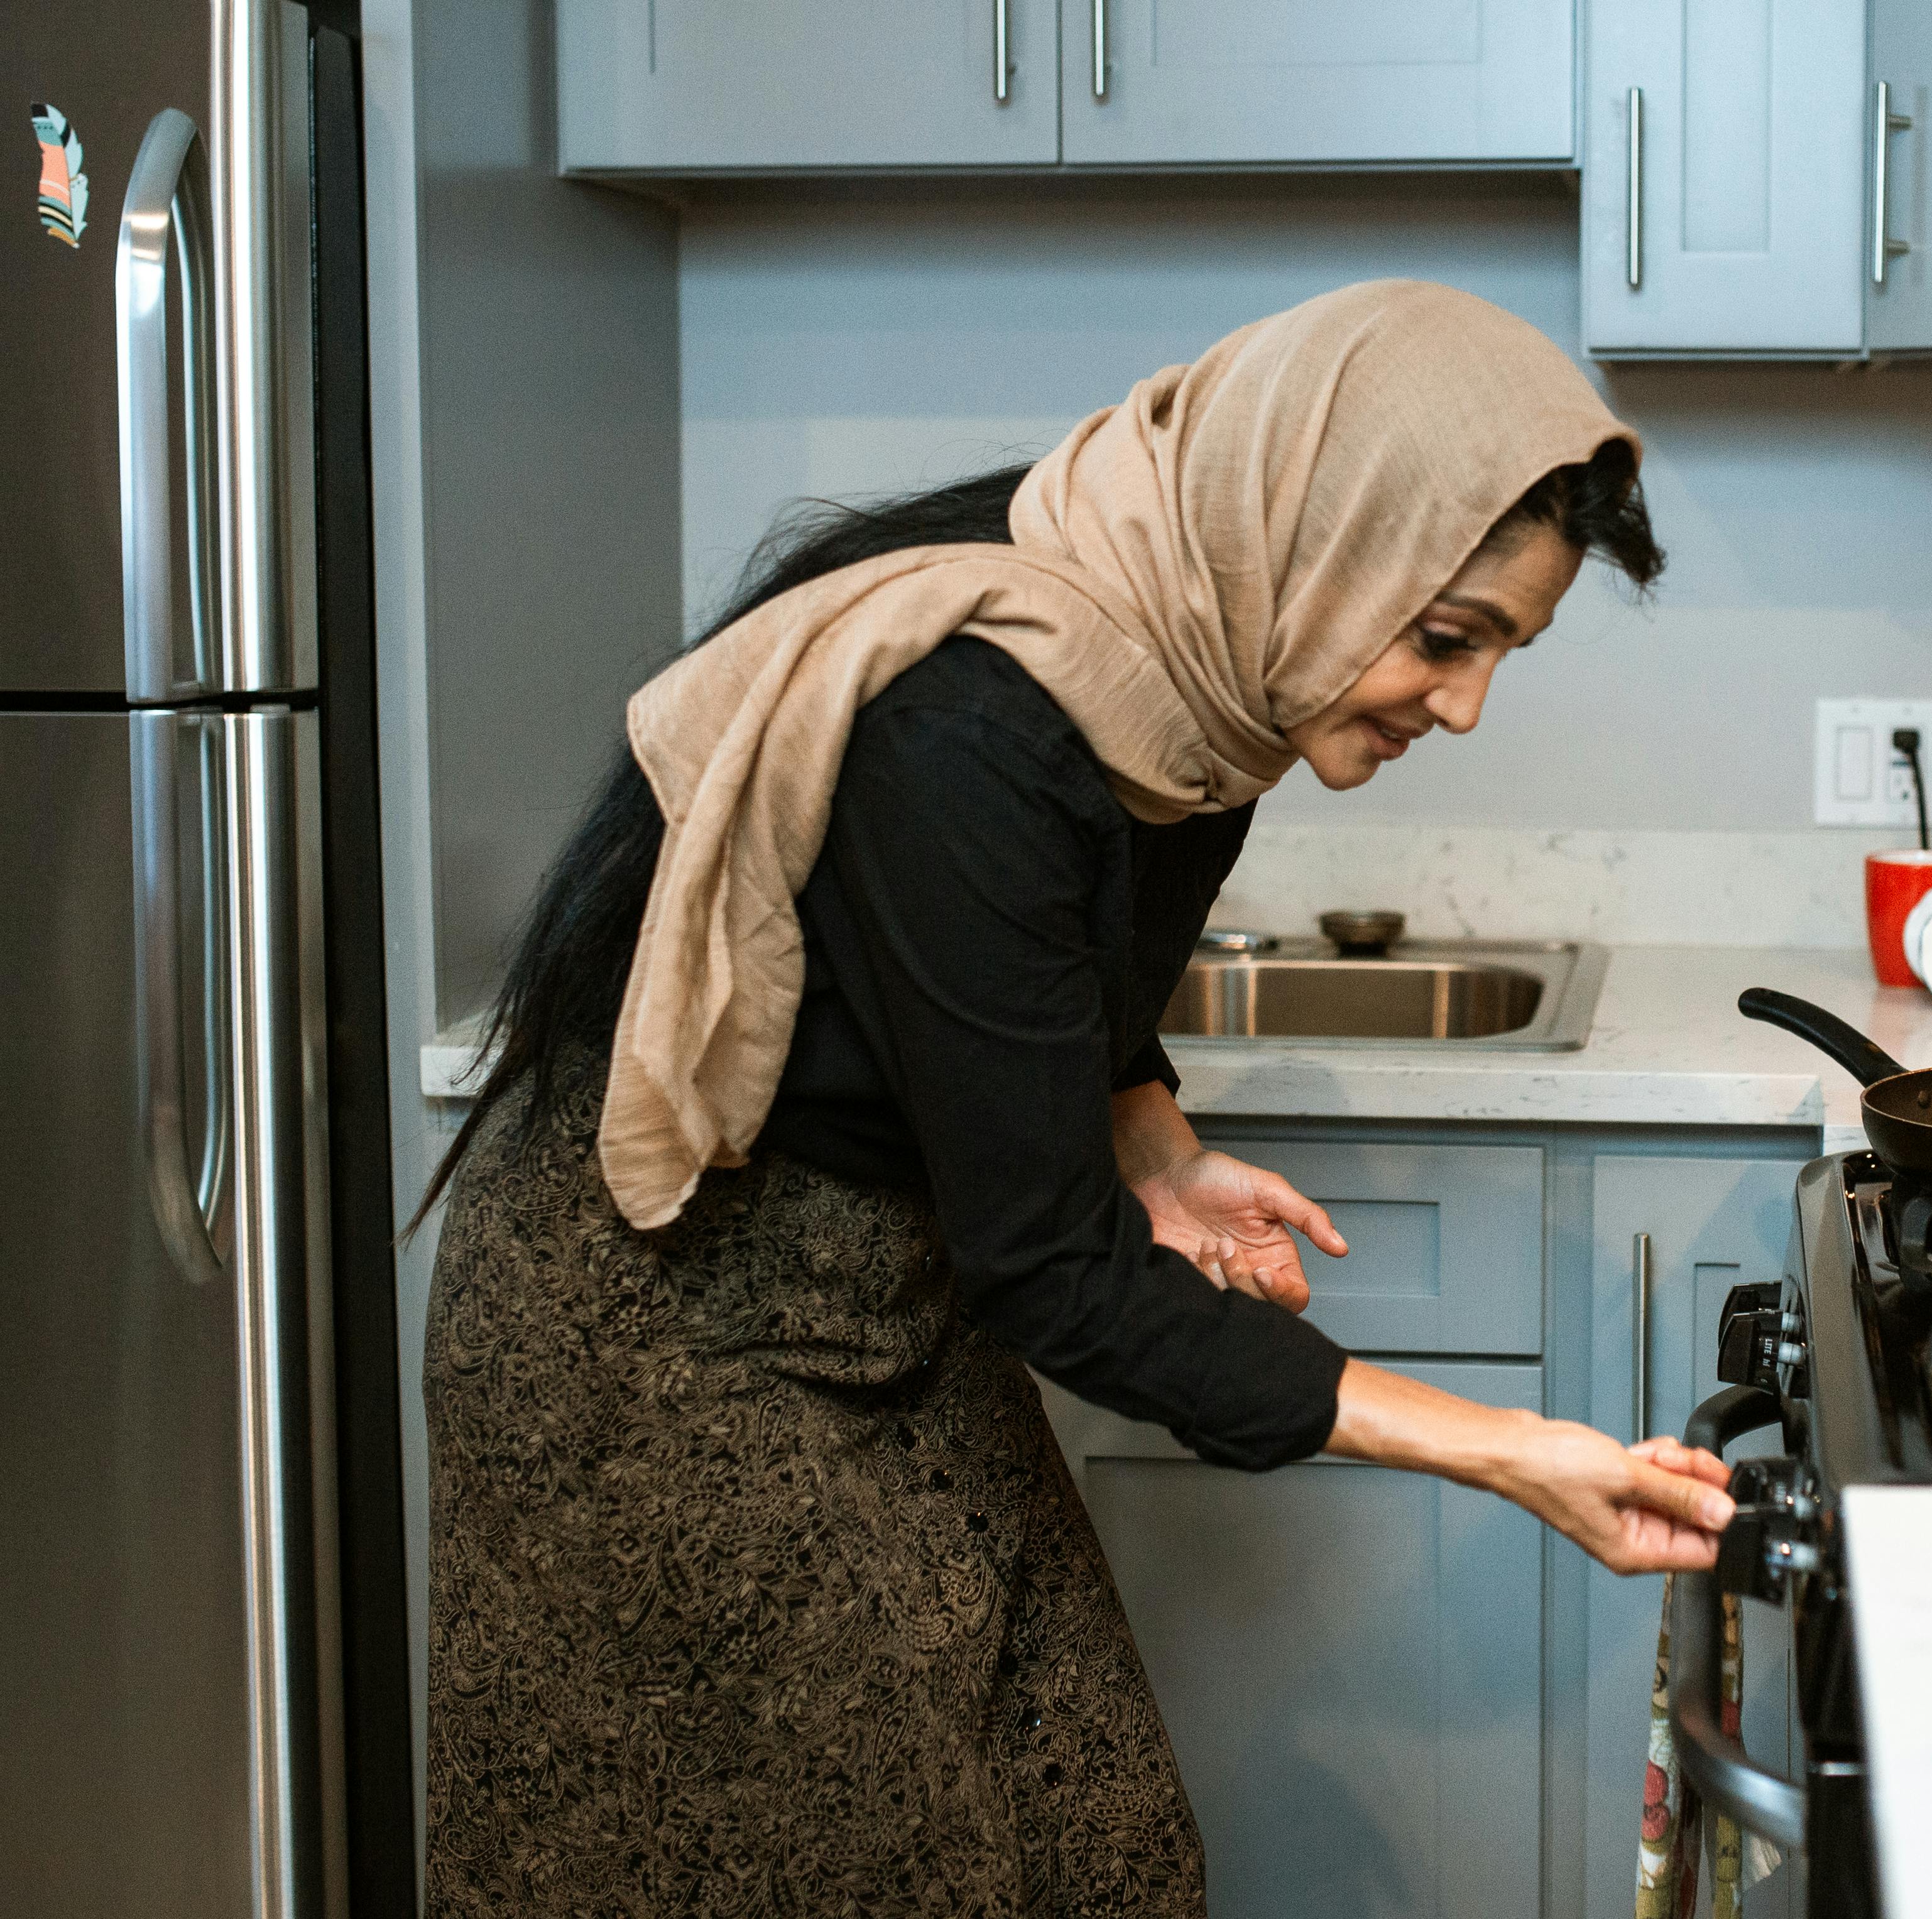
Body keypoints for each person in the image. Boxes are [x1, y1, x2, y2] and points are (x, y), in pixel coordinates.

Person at [418, 280, 1734, 1915]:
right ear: (1317, 546)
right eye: (1444, 638)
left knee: (1095, 1849)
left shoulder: (1218, 684)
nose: (1458, 706)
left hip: (893, 1298)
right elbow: (1059, 1276)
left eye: (1499, 658)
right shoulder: (975, 718)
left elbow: (1058, 979)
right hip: (664, 1345)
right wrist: (1511, 1451)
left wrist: (1157, 1149)